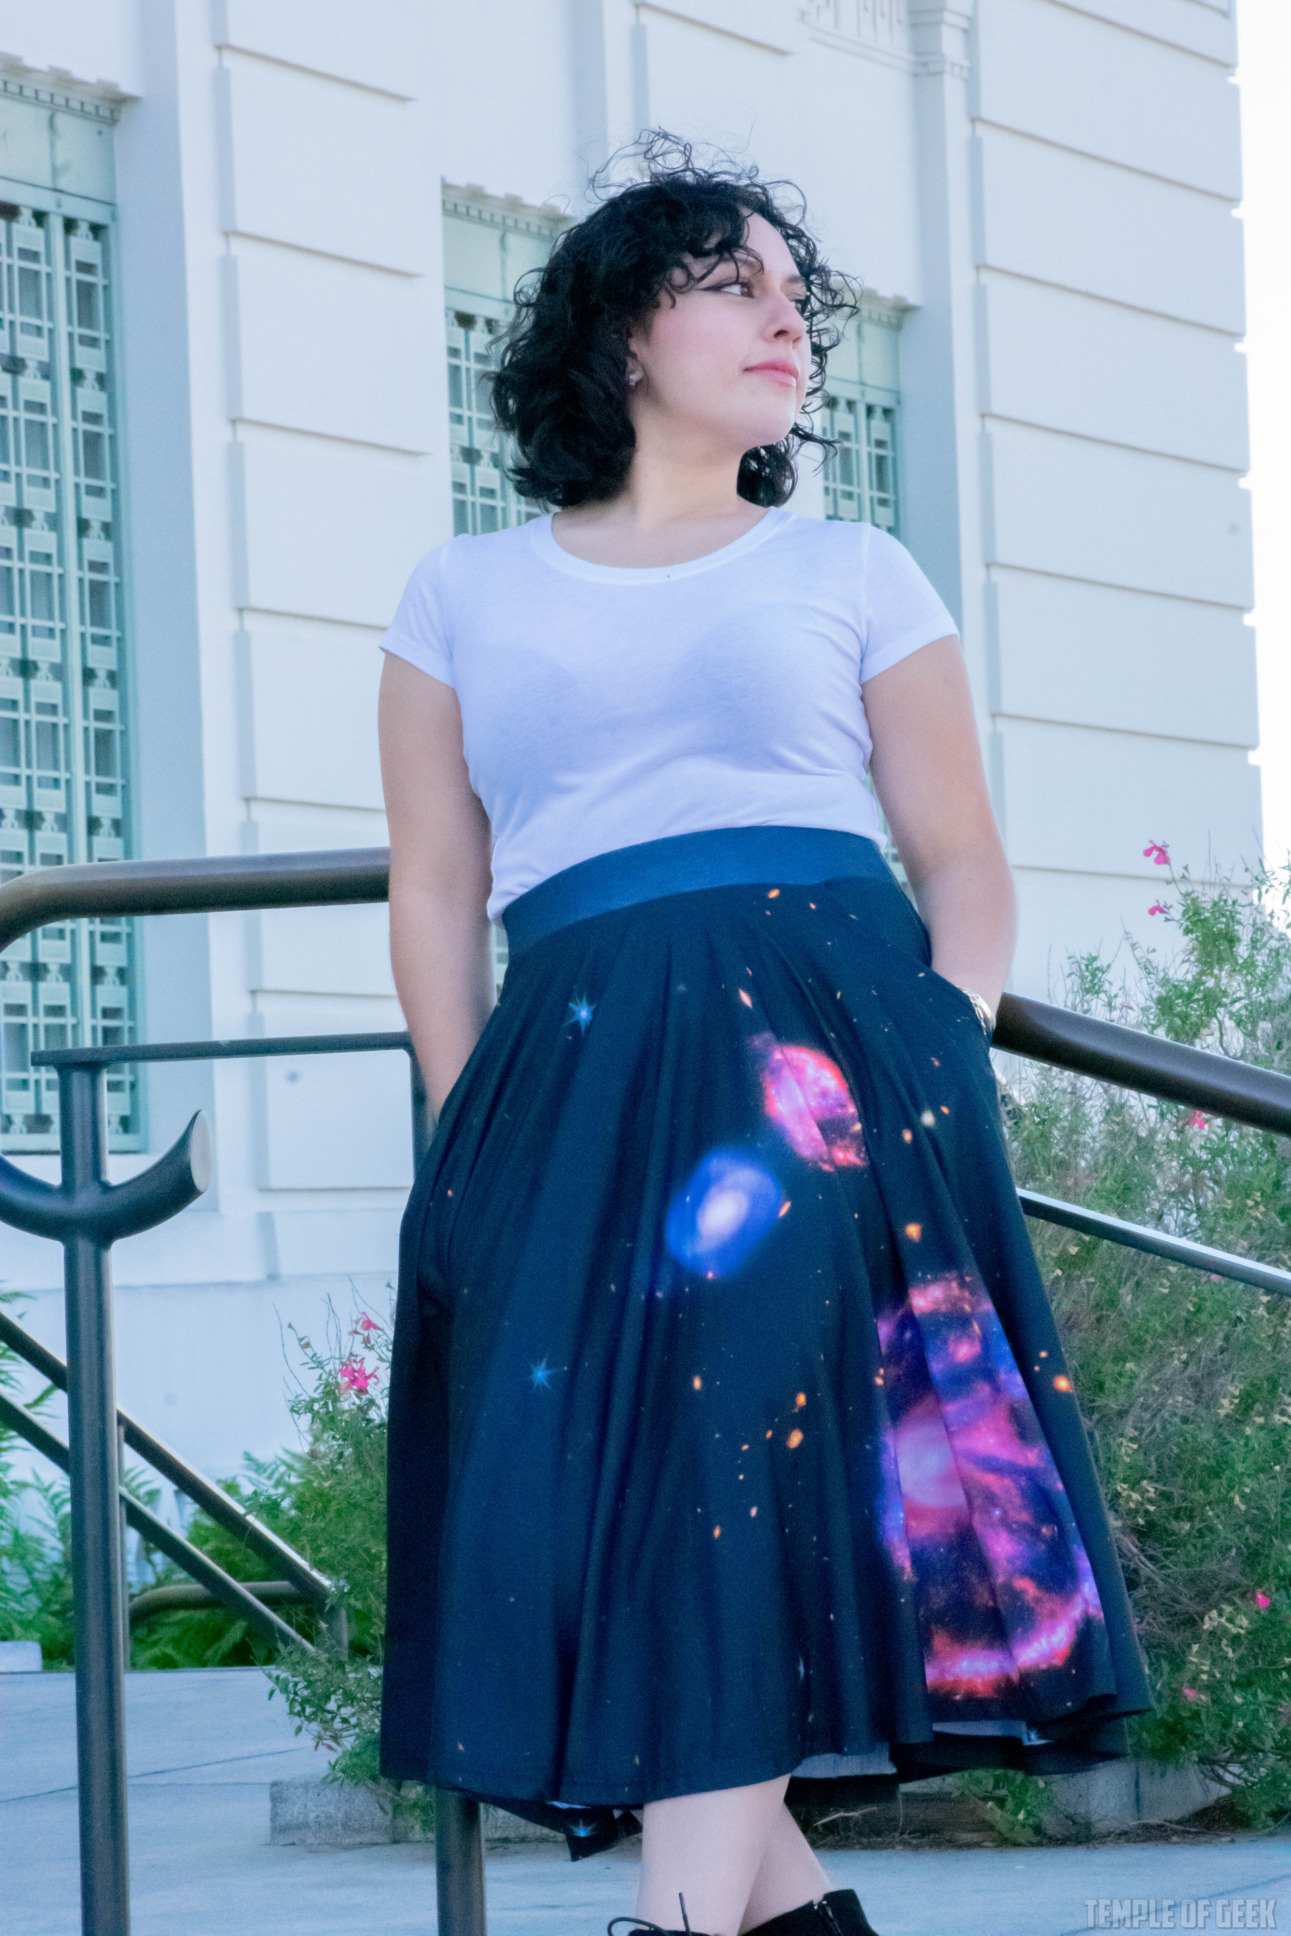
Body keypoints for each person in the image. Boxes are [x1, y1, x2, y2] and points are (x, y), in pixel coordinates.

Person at [376, 139, 1149, 1936]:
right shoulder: (461, 593)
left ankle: (675, 1927)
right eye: (740, 285)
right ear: (624, 326)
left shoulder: (855, 567)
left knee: (714, 1476)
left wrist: (940, 1039)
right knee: (638, 1503)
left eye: (799, 300)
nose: (788, 322)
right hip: (568, 1086)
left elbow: (958, 852)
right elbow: (433, 889)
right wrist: (459, 1122)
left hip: (824, 1070)